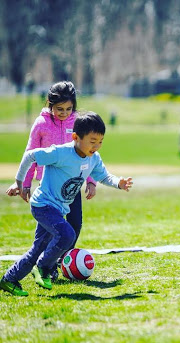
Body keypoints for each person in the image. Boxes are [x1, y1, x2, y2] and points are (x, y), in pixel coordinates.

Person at [1, 112, 133, 296]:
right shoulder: (60, 153)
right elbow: (30, 156)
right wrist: (19, 181)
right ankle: (43, 267)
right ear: (75, 137)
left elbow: (103, 175)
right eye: (92, 141)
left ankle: (9, 280)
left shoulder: (93, 158)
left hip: (57, 209)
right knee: (67, 234)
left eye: (100, 141)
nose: (96, 146)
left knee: (38, 248)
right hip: (43, 205)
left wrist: (119, 183)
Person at [22, 81, 97, 281]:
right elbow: (30, 154)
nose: (64, 113)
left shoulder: (78, 123)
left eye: (68, 109)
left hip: (72, 186)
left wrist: (91, 181)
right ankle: (46, 266)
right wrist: (25, 182)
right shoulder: (41, 124)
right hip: (49, 188)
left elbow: (89, 152)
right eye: (59, 109)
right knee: (49, 231)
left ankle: (61, 262)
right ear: (50, 104)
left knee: (75, 225)